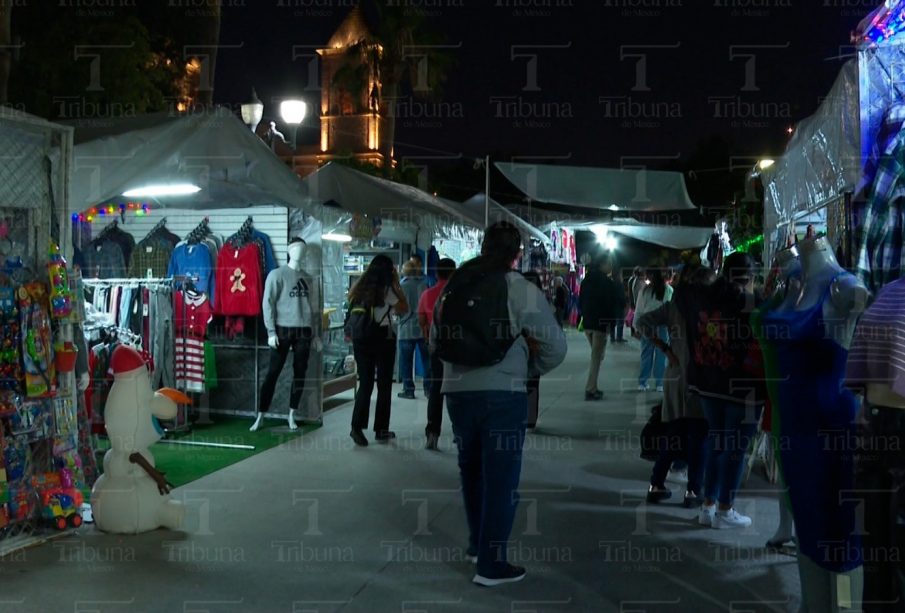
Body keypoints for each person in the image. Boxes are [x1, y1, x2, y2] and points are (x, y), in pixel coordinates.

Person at [438, 222, 567, 586]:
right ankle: (491, 565)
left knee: (471, 469)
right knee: (501, 477)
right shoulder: (518, 288)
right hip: (503, 393)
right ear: (517, 254)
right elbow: (556, 346)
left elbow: (436, 335)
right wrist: (527, 368)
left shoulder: (456, 284)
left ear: (482, 247)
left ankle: (478, 545)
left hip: (457, 391)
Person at [674, 251, 766, 530]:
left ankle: (708, 506)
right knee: (735, 450)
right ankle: (726, 508)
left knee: (716, 444)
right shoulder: (753, 303)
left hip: (707, 385)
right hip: (743, 391)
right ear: (750, 277)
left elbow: (680, 292)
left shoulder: (702, 297)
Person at [637, 264, 715, 507]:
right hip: (700, 379)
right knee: (698, 436)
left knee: (673, 433)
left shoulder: (674, 307)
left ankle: (656, 485)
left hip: (675, 376)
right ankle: (693, 492)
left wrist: (666, 349)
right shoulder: (710, 311)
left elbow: (641, 322)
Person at [348, 255, 409, 447]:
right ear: (388, 271)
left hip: (361, 340)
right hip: (383, 339)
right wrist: (397, 284)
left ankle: (356, 428)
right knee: (384, 385)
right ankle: (381, 430)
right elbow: (404, 308)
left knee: (365, 384)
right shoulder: (387, 290)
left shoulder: (358, 289)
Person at [417, 257, 456, 450]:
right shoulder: (459, 294)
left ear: (437, 273)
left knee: (436, 389)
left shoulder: (427, 294)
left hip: (435, 347)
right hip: (457, 349)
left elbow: (421, 319)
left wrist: (427, 335)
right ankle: (459, 432)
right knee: (457, 390)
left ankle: (432, 432)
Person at [579, 253, 625, 401]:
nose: (611, 266)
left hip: (588, 323)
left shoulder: (586, 280)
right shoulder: (607, 282)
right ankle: (590, 389)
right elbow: (611, 305)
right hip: (600, 324)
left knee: (596, 356)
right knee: (596, 358)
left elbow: (581, 301)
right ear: (602, 264)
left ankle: (593, 387)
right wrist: (610, 326)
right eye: (609, 263)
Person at [635, 268, 673, 392]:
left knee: (646, 353)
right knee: (661, 354)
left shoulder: (645, 291)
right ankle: (660, 383)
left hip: (647, 324)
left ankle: (642, 382)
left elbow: (639, 309)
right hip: (662, 325)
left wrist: (636, 326)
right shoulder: (668, 290)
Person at [396, 259, 429, 400]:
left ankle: (409, 390)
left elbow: (397, 309)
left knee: (406, 361)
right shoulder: (424, 284)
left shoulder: (401, 286)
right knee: (427, 361)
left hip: (405, 329)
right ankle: (428, 390)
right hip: (422, 328)